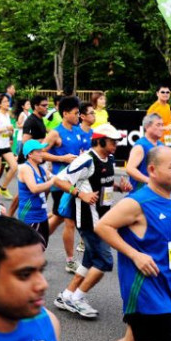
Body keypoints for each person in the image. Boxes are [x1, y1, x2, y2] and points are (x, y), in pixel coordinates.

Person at [95, 146, 171, 341]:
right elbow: (102, 226)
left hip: (168, 285)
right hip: (148, 293)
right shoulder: (137, 202)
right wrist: (135, 255)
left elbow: (160, 231)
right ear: (152, 170)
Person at [52, 124, 133, 319]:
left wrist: (119, 187)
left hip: (104, 219)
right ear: (100, 141)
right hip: (89, 221)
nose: (116, 145)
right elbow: (59, 180)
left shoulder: (110, 159)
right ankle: (77, 299)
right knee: (105, 261)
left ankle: (67, 295)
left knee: (89, 260)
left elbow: (103, 183)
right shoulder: (86, 160)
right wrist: (81, 194)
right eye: (113, 141)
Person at [43, 95, 82, 274]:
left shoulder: (77, 130)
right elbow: (39, 153)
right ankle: (70, 261)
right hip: (60, 183)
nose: (78, 116)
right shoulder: (55, 133)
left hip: (75, 182)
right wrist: (61, 158)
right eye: (75, 113)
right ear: (65, 113)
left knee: (58, 217)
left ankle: (35, 243)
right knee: (70, 221)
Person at [16, 139, 54, 245]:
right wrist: (52, 182)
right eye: (39, 151)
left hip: (42, 215)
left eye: (42, 151)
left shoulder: (41, 169)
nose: (42, 154)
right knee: (31, 249)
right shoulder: (26, 168)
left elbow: (58, 178)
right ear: (30, 154)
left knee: (41, 246)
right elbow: (34, 188)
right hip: (30, 216)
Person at [125, 113, 164, 193]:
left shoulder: (161, 145)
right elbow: (130, 169)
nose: (161, 128)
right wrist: (148, 181)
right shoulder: (140, 146)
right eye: (158, 125)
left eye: (162, 125)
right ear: (147, 126)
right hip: (141, 193)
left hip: (157, 192)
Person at [0, 94, 17, 199]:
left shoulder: (7, 115)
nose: (7, 103)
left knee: (14, 166)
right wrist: (6, 128)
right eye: (5, 101)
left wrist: (10, 133)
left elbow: (7, 130)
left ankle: (3, 188)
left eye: (8, 101)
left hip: (6, 145)